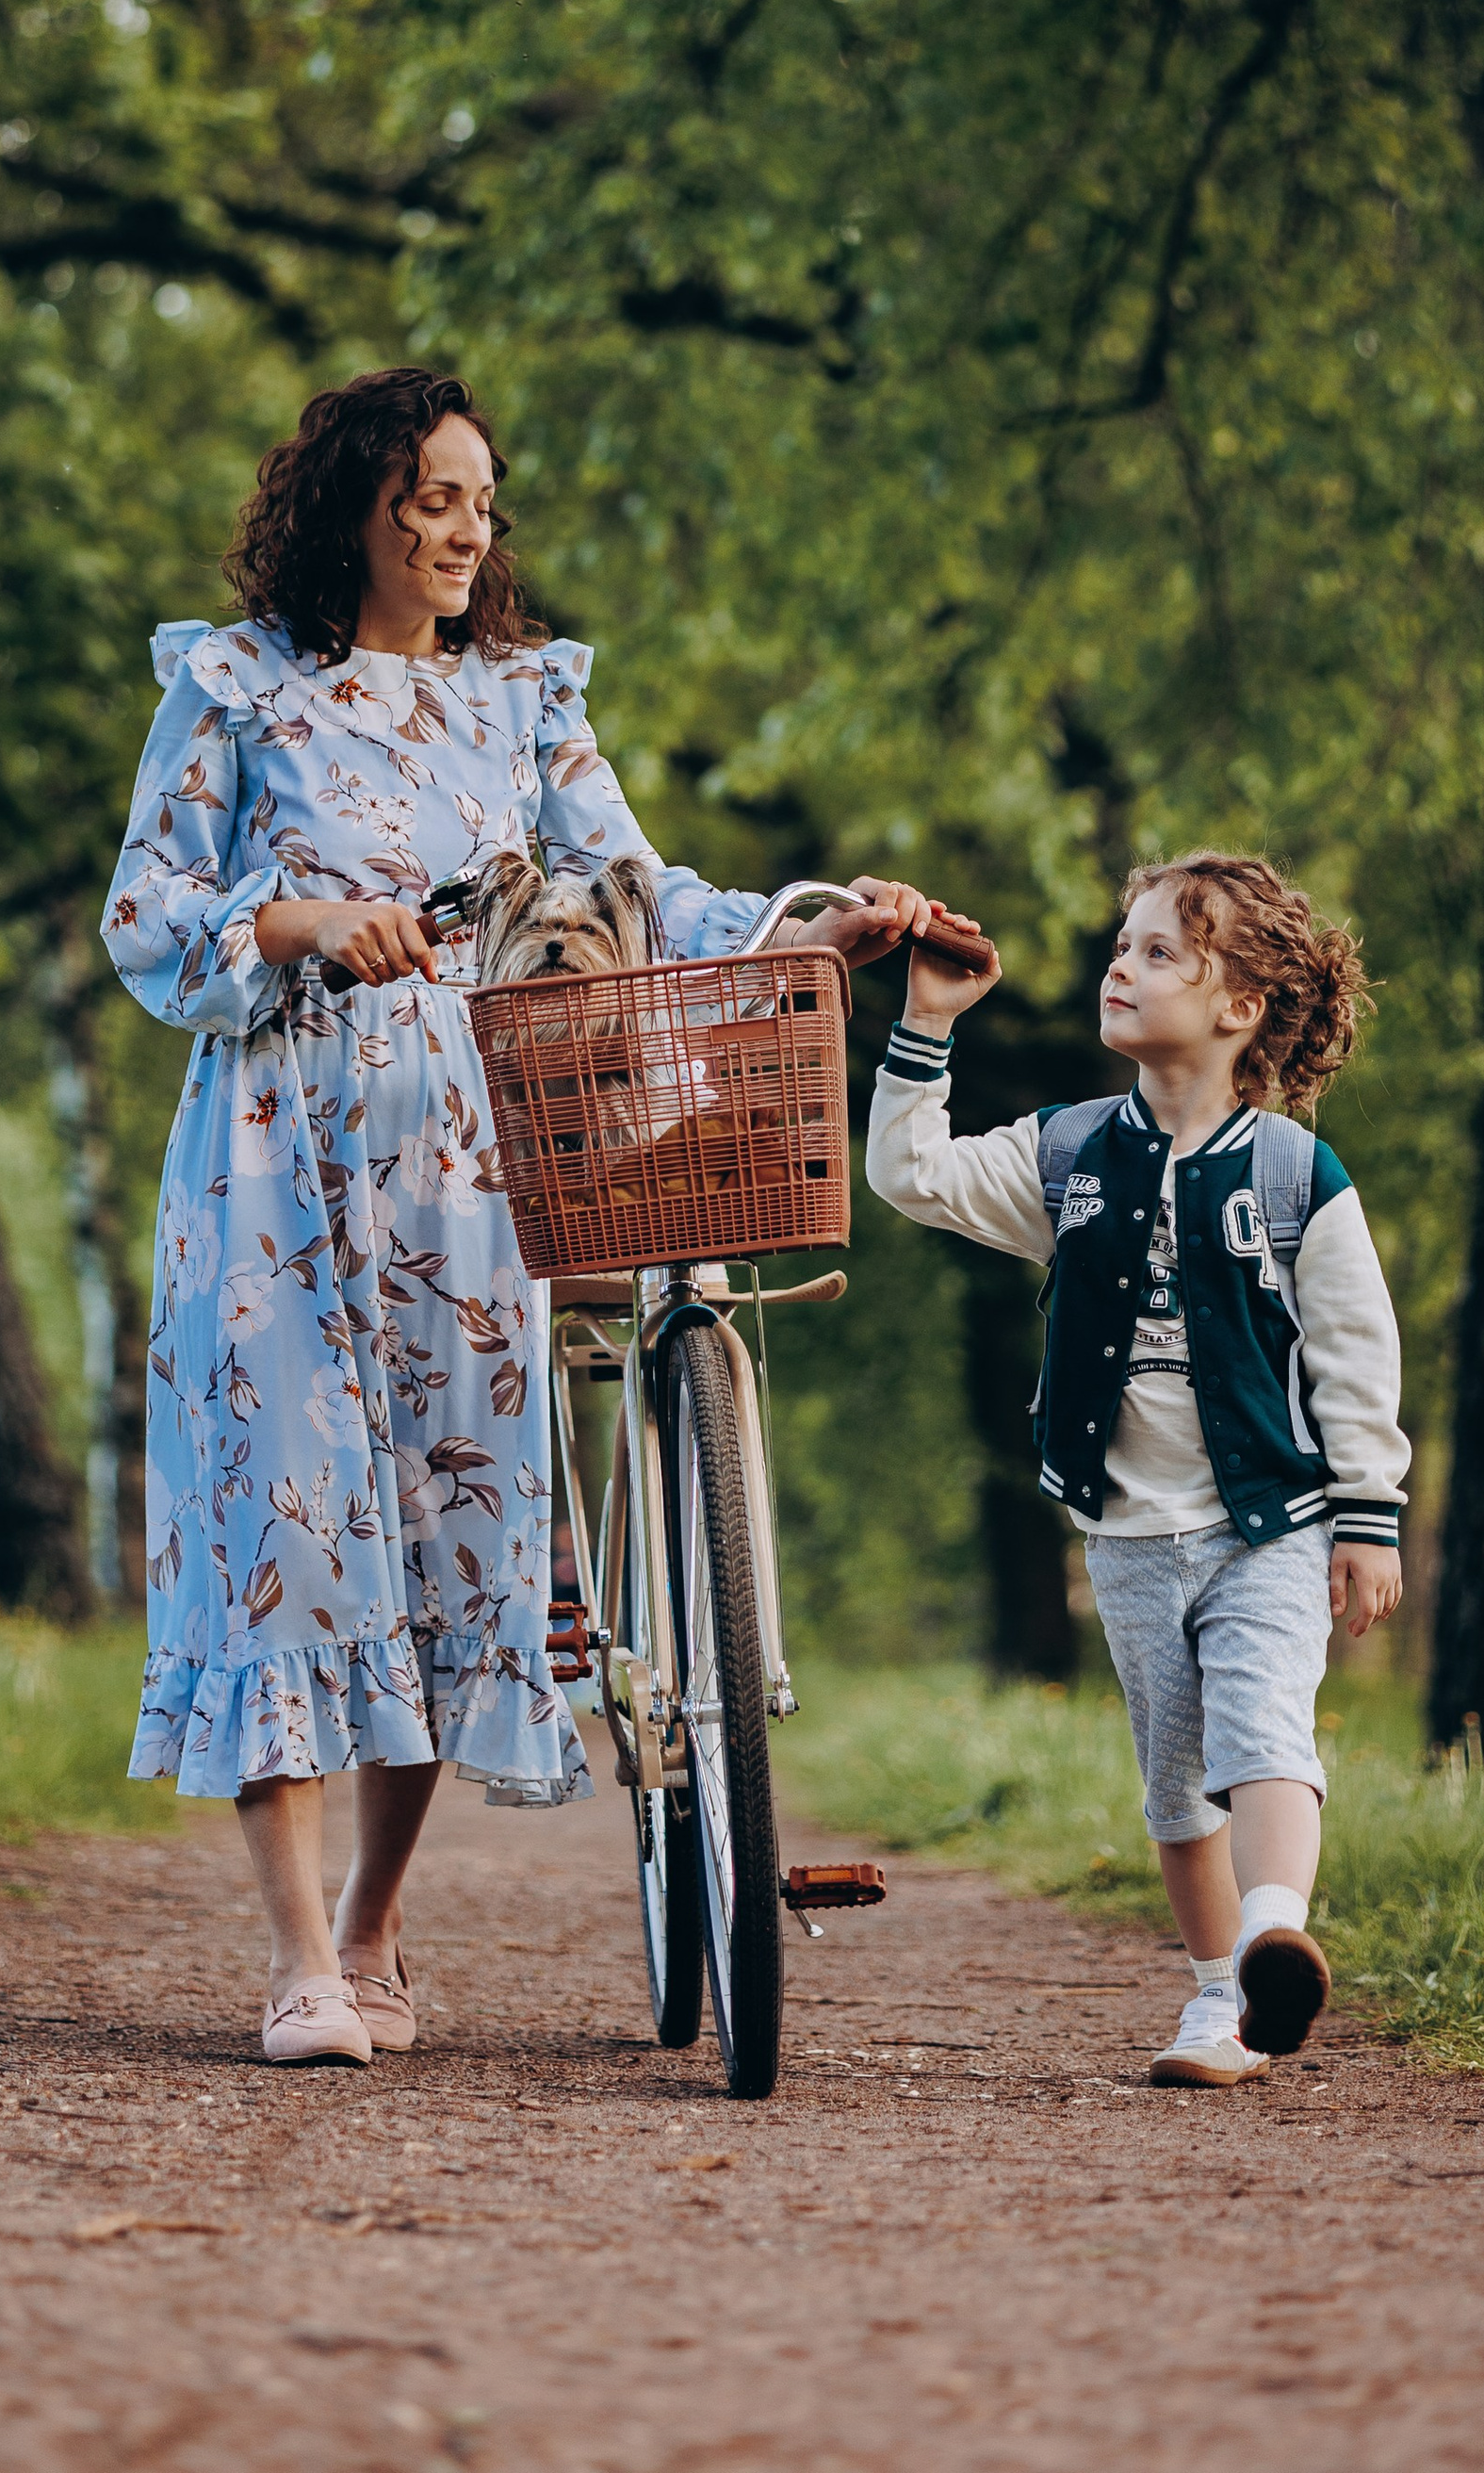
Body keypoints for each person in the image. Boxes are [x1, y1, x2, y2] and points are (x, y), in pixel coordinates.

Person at [102, 365, 927, 2065]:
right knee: (288, 1526)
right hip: (273, 1161)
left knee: (438, 1530)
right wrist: (304, 920)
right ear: (358, 504)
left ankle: (376, 1928)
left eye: (483, 501)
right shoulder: (235, 684)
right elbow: (147, 909)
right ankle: (296, 1966)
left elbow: (640, 888)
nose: (469, 529)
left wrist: (807, 927)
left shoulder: (522, 699)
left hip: (478, 1168)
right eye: (435, 498)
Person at [866, 851, 1409, 2088]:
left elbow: (1354, 1355)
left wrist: (1368, 1517)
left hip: (1268, 1519)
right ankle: (1224, 1998)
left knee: (1264, 1731)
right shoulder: (1067, 1159)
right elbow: (910, 1175)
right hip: (1125, 1530)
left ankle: (1276, 1930)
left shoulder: (1294, 1178)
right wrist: (927, 1023)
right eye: (1124, 940)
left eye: (1160, 948)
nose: (1122, 961)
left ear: (1239, 1009)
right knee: (1175, 1788)